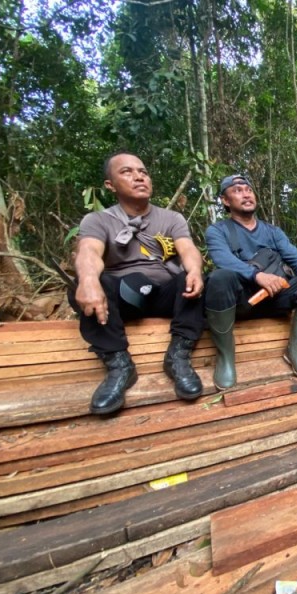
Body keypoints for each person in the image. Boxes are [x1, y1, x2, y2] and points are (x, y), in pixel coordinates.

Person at [70, 152, 205, 415]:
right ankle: (119, 365)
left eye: (143, 171)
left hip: (165, 294)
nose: (139, 176)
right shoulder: (98, 220)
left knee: (196, 278)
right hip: (124, 298)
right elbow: (89, 253)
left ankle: (178, 355)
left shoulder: (171, 218)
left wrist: (195, 270)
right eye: (127, 172)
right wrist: (87, 280)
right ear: (110, 185)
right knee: (85, 281)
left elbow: (188, 250)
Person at [204, 174, 297, 389]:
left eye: (248, 189)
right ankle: (225, 359)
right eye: (238, 190)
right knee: (219, 278)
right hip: (242, 301)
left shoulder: (272, 231)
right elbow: (222, 258)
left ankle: (294, 350)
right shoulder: (217, 231)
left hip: (275, 297)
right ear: (225, 200)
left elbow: (291, 253)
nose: (246, 194)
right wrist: (256, 275)